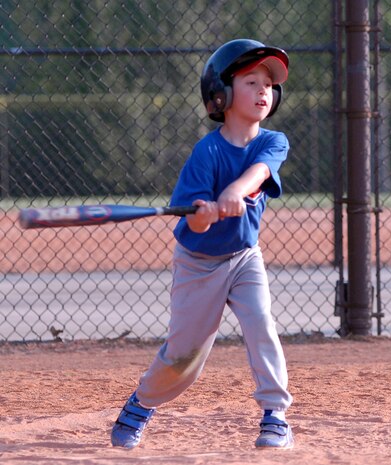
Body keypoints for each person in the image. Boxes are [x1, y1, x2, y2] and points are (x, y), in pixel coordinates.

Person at [110, 39, 294, 450]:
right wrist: (202, 213)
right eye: (251, 82)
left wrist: (234, 191)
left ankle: (275, 415)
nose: (264, 90)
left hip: (245, 257)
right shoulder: (205, 152)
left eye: (269, 84)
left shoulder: (274, 141)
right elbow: (193, 218)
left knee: (262, 325)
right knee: (185, 354)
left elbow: (260, 172)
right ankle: (142, 403)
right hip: (199, 263)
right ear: (222, 96)